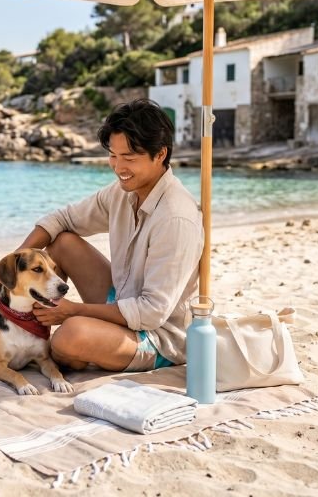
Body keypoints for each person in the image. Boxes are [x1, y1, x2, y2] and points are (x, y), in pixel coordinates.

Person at [14, 98, 203, 372]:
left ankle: (78, 346)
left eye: (129, 157)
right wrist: (15, 260)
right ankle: (37, 326)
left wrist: (74, 310)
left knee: (69, 335)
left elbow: (151, 312)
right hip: (121, 300)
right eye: (113, 155)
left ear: (160, 154)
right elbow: (61, 219)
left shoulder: (176, 218)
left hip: (158, 336)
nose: (118, 166)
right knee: (62, 241)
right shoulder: (123, 191)